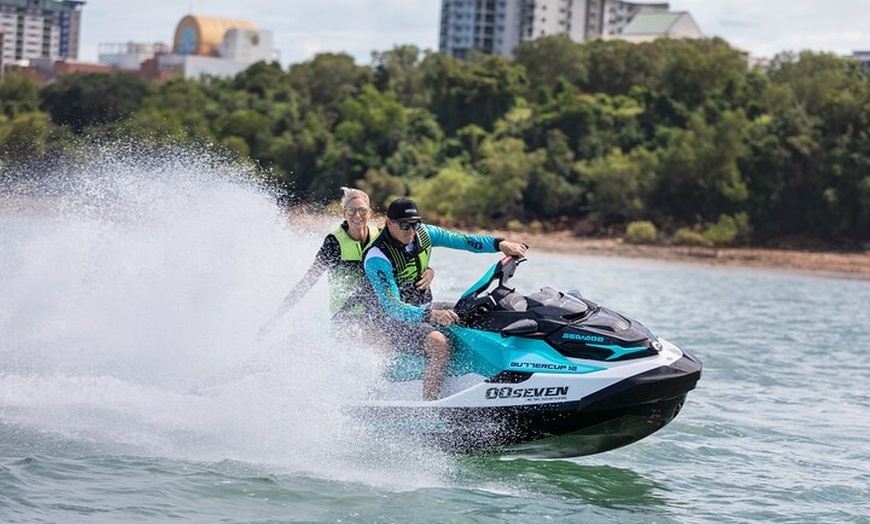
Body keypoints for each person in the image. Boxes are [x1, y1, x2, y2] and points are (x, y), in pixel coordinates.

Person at [363, 197, 528, 401]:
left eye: (415, 224)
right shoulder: (377, 257)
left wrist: (500, 244)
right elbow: (392, 307)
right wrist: (432, 315)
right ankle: (430, 407)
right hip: (392, 321)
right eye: (405, 225)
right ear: (389, 223)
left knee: (477, 313)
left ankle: (510, 375)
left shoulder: (425, 234)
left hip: (425, 308)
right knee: (439, 344)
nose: (411, 230)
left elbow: (463, 240)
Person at [258, 188, 434, 339]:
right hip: (349, 315)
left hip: (380, 313)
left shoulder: (382, 238)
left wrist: (430, 272)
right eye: (351, 211)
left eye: (362, 211)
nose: (357, 216)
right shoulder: (333, 244)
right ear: (344, 214)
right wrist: (275, 319)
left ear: (369, 213)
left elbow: (409, 263)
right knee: (378, 337)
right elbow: (307, 282)